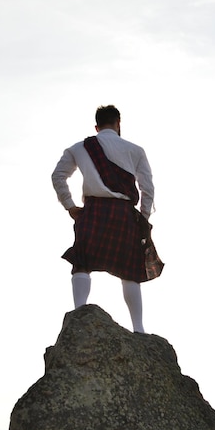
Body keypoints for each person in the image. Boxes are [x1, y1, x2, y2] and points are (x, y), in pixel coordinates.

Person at [51, 104, 163, 333]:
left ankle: (80, 313)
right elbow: (147, 188)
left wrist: (71, 207)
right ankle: (138, 329)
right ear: (118, 124)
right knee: (130, 270)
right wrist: (142, 217)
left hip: (92, 211)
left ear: (96, 126)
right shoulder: (136, 150)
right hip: (124, 214)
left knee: (82, 262)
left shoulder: (80, 147)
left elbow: (58, 176)